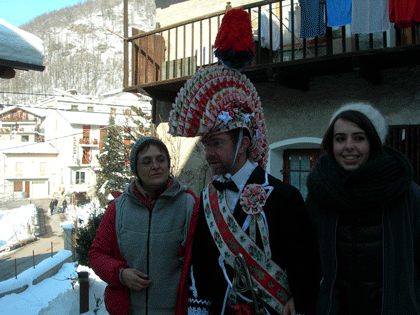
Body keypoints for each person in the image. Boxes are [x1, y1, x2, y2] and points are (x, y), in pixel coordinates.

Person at [168, 9, 321, 315]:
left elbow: (305, 264)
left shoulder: (284, 198)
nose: (209, 153)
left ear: (245, 142)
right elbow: (202, 263)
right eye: (206, 144)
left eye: (217, 143)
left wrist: (299, 300)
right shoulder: (209, 196)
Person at [306, 103, 420, 315]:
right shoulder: (321, 193)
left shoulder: (405, 193)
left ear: (374, 142)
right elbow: (307, 257)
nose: (349, 146)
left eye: (359, 138)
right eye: (340, 139)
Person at [88, 137, 199, 315]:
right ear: (136, 170)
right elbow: (96, 254)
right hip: (129, 310)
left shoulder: (189, 205)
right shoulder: (118, 208)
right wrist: (120, 274)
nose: (155, 166)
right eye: (146, 162)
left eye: (161, 160)